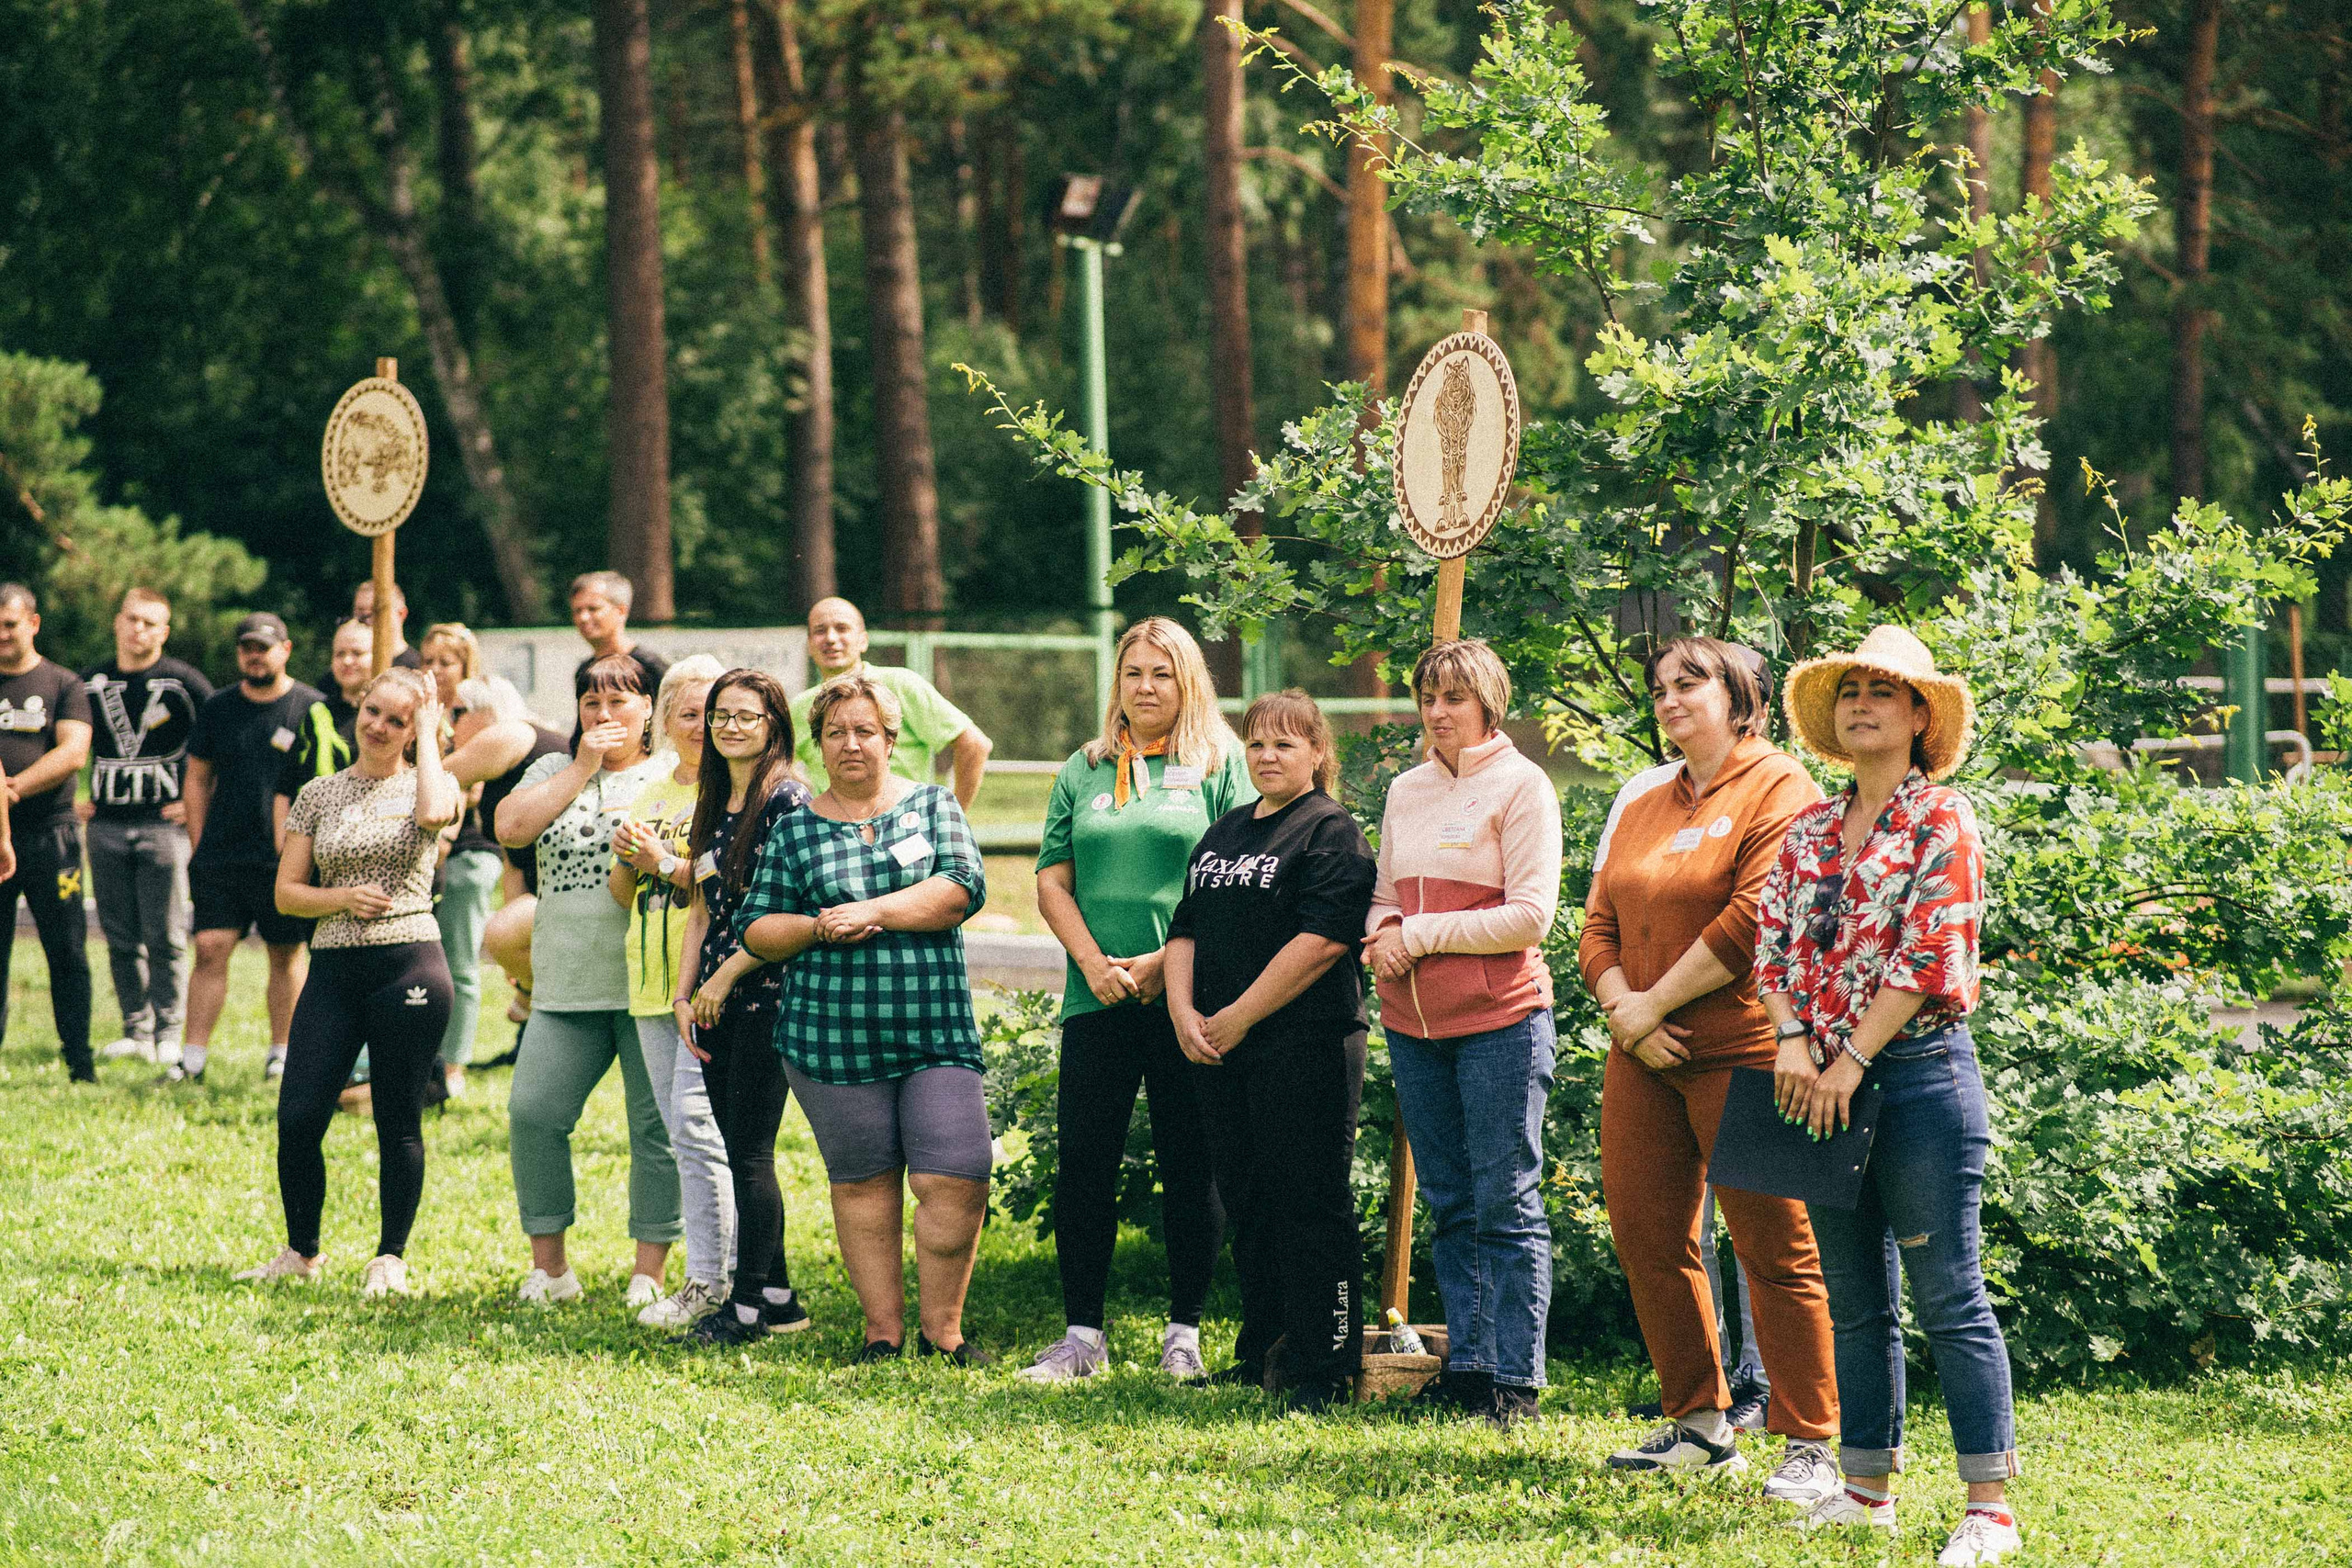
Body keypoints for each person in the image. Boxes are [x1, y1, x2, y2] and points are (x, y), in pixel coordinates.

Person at [1758, 626, 2016, 1565]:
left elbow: (1928, 953)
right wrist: (1793, 1039)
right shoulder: (1809, 828)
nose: (1861, 702)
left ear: (1919, 718)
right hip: (1817, 1079)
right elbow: (1771, 947)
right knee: (1855, 1298)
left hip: (1915, 1078)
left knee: (1949, 1294)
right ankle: (1866, 1490)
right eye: (1851, 689)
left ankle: (1988, 1510)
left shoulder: (1942, 818)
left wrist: (1847, 1060)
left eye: (1884, 691)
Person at [1577, 636, 1841, 1499]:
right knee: (1650, 1236)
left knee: (1777, 1248)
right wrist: (1629, 1011)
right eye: (1659, 687)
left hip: (1746, 1048)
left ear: (1743, 698)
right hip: (1642, 1052)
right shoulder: (1648, 796)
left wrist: (1652, 1002)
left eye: (1690, 682)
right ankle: (1698, 1421)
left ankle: (1811, 1441)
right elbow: (1597, 924)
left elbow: (1756, 916)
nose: (1669, 698)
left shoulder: (1780, 786)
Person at [738, 673, 992, 1364]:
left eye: (865, 731)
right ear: (819, 744)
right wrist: (820, 928)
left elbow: (960, 888)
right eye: (835, 732)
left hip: (934, 1029)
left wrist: (873, 911)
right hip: (830, 1038)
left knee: (957, 1173)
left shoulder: (934, 805)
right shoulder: (794, 826)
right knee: (863, 1183)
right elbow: (756, 927)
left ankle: (946, 1332)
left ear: (891, 738)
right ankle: (883, 1332)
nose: (851, 743)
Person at [1020, 618, 1247, 1384]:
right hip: (1096, 997)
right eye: (1133, 672)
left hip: (1188, 997)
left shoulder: (1219, 762)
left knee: (1194, 1163)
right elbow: (1053, 877)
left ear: (1189, 682)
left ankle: (1183, 1334)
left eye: (1162, 673)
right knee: (1084, 1162)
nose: (1145, 687)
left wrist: (1159, 964)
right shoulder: (1085, 767)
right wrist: (1092, 961)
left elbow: (1241, 872)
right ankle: (1082, 1335)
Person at [1363, 638, 1562, 1429]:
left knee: (1506, 1200)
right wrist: (1380, 932)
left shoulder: (1523, 786)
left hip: (1500, 1022)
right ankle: (1470, 1367)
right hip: (1415, 1026)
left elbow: (1530, 914)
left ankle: (1515, 1378)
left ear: (1489, 702)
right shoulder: (1406, 790)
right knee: (1450, 1202)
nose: (1438, 713)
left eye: (1453, 698)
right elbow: (1383, 893)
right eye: (1427, 698)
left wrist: (1418, 933)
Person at [1166, 690, 1377, 1411]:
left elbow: (1322, 941)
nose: (1267, 756)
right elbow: (1184, 928)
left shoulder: (1330, 831)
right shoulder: (1224, 831)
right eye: (1256, 743)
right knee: (1247, 1196)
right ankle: (1263, 1349)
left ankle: (1327, 1361)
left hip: (1306, 1043)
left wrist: (1240, 1016)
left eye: (1285, 744)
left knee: (1309, 1200)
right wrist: (1185, 1014)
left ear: (1318, 752)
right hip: (1222, 1046)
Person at [235, 669, 458, 1293]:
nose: (379, 726)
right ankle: (301, 1250)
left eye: (397, 719)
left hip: (408, 963)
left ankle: (390, 1254)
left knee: (398, 1117)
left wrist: (430, 733)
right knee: (299, 1114)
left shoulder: (432, 784)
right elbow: (286, 894)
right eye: (373, 711)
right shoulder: (317, 793)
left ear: (414, 730)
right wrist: (340, 897)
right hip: (334, 967)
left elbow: (438, 814)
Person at [496, 654, 680, 1308]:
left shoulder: (672, 771)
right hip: (565, 978)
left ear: (649, 710)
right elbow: (510, 828)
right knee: (534, 1113)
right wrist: (583, 767)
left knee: (654, 1127)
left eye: (620, 703)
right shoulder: (552, 768)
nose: (604, 716)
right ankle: (552, 1270)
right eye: (592, 704)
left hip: (648, 982)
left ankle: (649, 1271)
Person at [672, 669, 816, 1344]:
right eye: (720, 715)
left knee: (751, 1151)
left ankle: (749, 1309)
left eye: (746, 716)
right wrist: (683, 993)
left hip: (767, 992)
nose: (730, 726)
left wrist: (724, 980)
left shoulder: (787, 798)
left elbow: (793, 909)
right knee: (738, 1148)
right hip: (709, 998)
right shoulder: (713, 796)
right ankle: (782, 1296)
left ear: (773, 724)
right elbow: (699, 906)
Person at [605, 656, 743, 1329]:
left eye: (711, 713)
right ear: (665, 721)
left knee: (699, 1126)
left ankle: (714, 1279)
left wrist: (665, 862)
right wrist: (633, 858)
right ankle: (715, 1273)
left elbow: (724, 881)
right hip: (649, 982)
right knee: (680, 1131)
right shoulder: (651, 793)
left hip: (706, 985)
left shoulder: (732, 792)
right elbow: (622, 890)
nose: (701, 725)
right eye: (688, 713)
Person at [185, 613, 337, 1082]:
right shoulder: (217, 707)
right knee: (210, 949)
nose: (255, 655)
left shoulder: (311, 706)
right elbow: (196, 776)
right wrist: (198, 844)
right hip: (222, 856)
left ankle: (282, 1054)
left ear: (286, 650)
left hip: (283, 859)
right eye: (247, 647)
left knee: (285, 953)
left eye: (264, 647)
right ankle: (191, 1060)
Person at [82, 589, 213, 1067]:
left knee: (166, 934)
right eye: (133, 620)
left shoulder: (184, 682)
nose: (139, 630)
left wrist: (200, 801)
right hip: (107, 826)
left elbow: (224, 741)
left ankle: (169, 1031)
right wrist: (75, 799)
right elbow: (66, 742)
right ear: (117, 622)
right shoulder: (90, 682)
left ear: (165, 632)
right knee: (118, 935)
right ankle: (135, 1029)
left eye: (151, 623)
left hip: (163, 827)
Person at [0, 583, 95, 1080]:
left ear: (33, 623)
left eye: (10, 624)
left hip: (49, 838)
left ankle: (79, 1059)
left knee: (67, 949)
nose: (2, 635)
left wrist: (8, 792)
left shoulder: (63, 684)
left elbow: (73, 752)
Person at [791, 597, 991, 807]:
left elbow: (974, 745)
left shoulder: (900, 685)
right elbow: (778, 765)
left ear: (863, 640)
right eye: (820, 631)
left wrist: (950, 819)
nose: (831, 638)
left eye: (842, 628)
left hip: (908, 829)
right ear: (809, 645)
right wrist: (810, 802)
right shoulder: (800, 707)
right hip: (834, 834)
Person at [420, 625, 502, 1093]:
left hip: (468, 848)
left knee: (460, 961)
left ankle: (454, 1064)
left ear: (466, 665)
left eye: (445, 662)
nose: (434, 670)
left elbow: (473, 783)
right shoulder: (421, 712)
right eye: (428, 660)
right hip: (425, 847)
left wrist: (445, 837)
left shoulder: (478, 710)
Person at [466, 678, 570, 1044]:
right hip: (535, 887)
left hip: (572, 886)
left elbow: (442, 776)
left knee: (504, 933)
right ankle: (530, 998)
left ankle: (533, 996)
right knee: (505, 934)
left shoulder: (509, 735)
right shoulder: (505, 768)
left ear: (485, 713)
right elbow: (512, 860)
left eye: (459, 712)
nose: (452, 722)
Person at [569, 571, 667, 725]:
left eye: (593, 609)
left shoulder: (650, 667)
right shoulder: (584, 670)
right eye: (577, 611)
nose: (583, 618)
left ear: (621, 611)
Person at [346, 580, 423, 671]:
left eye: (376, 611)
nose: (366, 618)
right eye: (360, 611)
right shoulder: (343, 674)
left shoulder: (418, 669)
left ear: (401, 613)